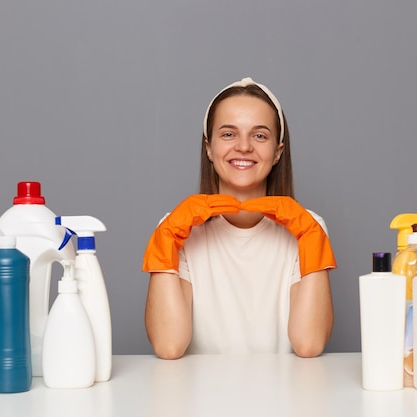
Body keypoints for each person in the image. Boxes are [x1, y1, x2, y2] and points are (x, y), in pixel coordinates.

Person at [142, 77, 337, 359]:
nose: (244, 147)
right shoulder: (174, 230)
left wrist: (310, 234)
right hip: (199, 398)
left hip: (283, 396)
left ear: (277, 152)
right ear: (209, 148)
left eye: (259, 135)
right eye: (229, 134)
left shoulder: (309, 228)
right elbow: (168, 345)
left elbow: (309, 343)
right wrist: (167, 238)